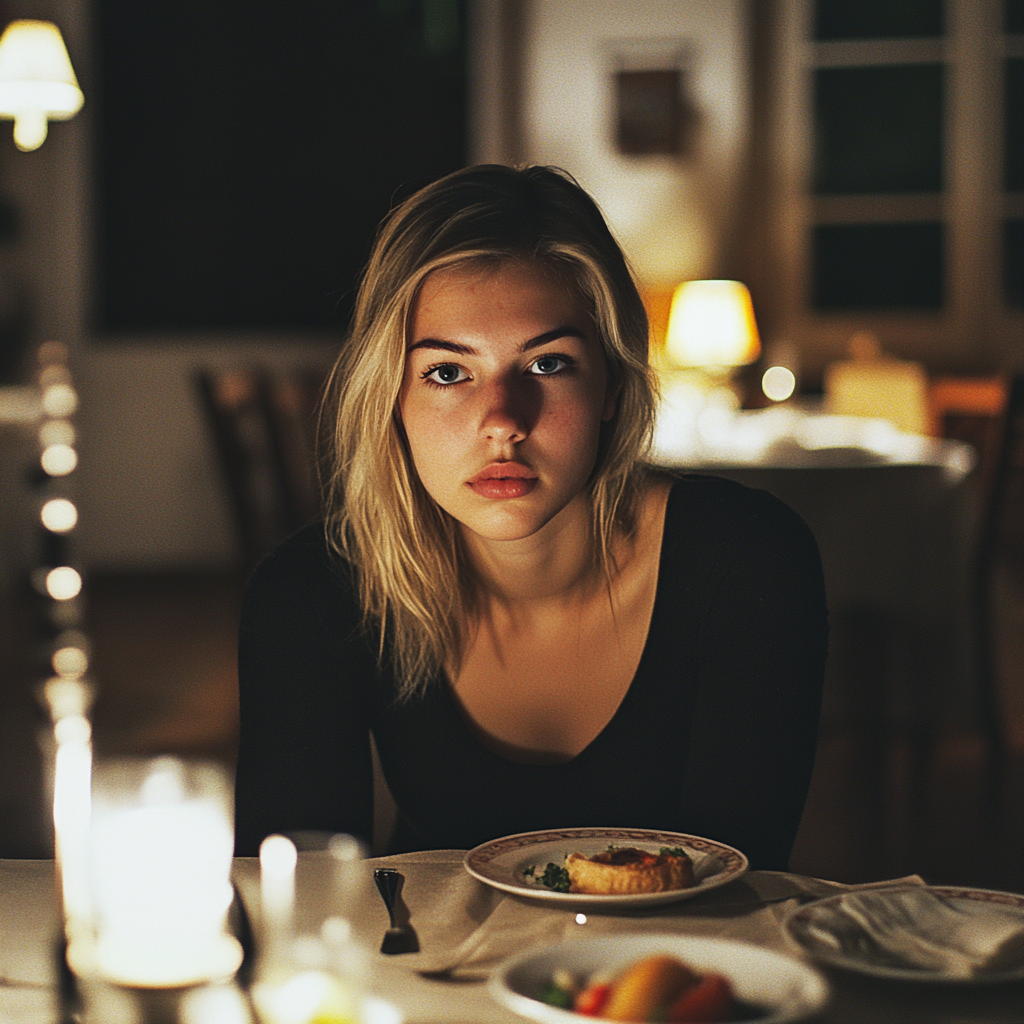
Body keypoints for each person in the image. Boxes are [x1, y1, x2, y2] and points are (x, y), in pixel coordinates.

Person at [235, 165, 827, 870]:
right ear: (390, 394)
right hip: (422, 968)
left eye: (547, 365)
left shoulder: (748, 562)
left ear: (611, 383)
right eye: (449, 373)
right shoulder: (313, 594)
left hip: (675, 976)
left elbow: (740, 885)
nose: (503, 423)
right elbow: (300, 907)